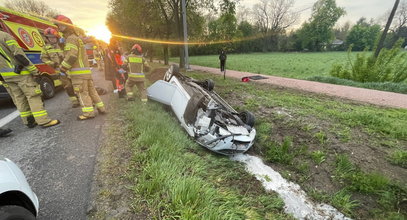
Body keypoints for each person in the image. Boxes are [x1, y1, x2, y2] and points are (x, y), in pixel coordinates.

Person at [0, 31, 60, 128]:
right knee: (33, 95)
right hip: (20, 73)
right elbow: (19, 55)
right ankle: (43, 121)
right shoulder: (5, 36)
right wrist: (34, 70)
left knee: (19, 98)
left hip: (6, 76)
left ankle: (29, 121)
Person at [55, 15, 106, 120]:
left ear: (65, 26)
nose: (58, 28)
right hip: (86, 73)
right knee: (92, 91)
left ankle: (88, 113)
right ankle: (102, 108)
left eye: (59, 26)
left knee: (82, 93)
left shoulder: (70, 39)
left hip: (78, 74)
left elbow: (71, 55)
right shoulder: (78, 39)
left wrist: (63, 68)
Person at [41, 27, 79, 108]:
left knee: (77, 84)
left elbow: (71, 53)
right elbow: (43, 58)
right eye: (50, 38)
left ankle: (81, 98)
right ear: (47, 38)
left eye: (54, 37)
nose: (52, 39)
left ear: (57, 37)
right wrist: (52, 64)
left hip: (69, 68)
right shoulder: (45, 48)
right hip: (59, 70)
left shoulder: (62, 44)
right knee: (68, 86)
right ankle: (74, 101)